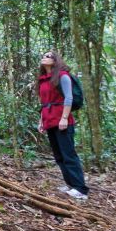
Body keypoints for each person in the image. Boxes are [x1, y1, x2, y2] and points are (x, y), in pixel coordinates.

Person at [37, 51, 89, 200]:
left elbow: (69, 98)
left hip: (62, 120)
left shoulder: (63, 76)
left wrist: (64, 118)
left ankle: (81, 189)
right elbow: (44, 102)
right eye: (44, 56)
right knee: (59, 156)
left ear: (55, 61)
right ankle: (70, 184)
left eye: (48, 56)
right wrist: (41, 121)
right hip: (49, 120)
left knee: (68, 154)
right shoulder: (43, 80)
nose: (44, 58)